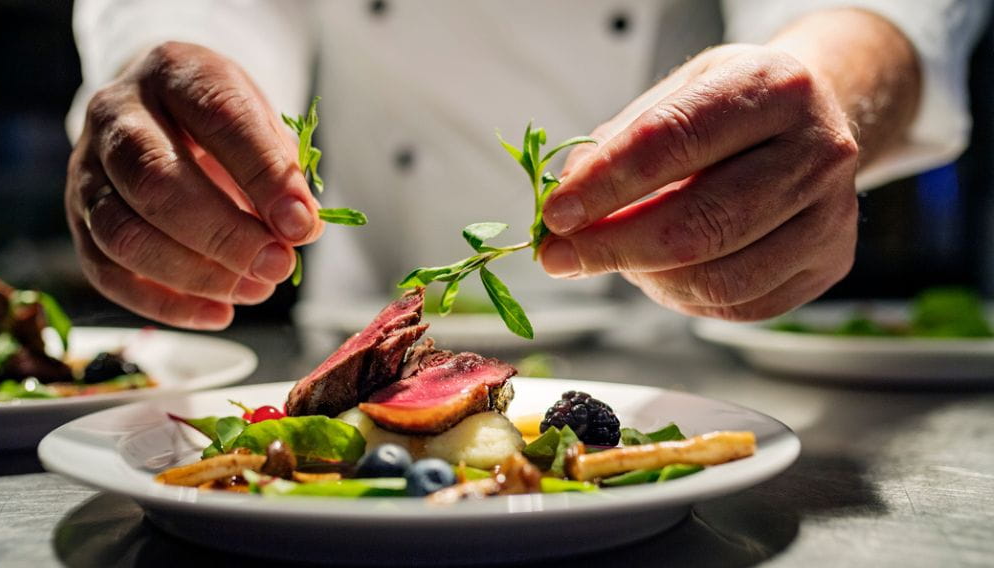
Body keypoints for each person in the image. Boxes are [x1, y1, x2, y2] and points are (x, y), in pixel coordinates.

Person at [64, 0, 988, 330]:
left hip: (673, 351)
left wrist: (822, 81)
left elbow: (877, 10)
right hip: (356, 319)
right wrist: (176, 101)